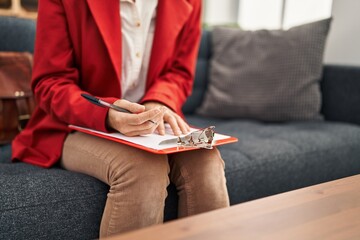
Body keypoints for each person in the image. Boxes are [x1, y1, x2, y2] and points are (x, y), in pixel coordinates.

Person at [12, 0, 229, 237]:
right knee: (142, 168)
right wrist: (109, 114)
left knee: (206, 161)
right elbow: (50, 82)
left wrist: (158, 101)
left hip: (154, 124)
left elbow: (179, 72)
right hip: (75, 124)